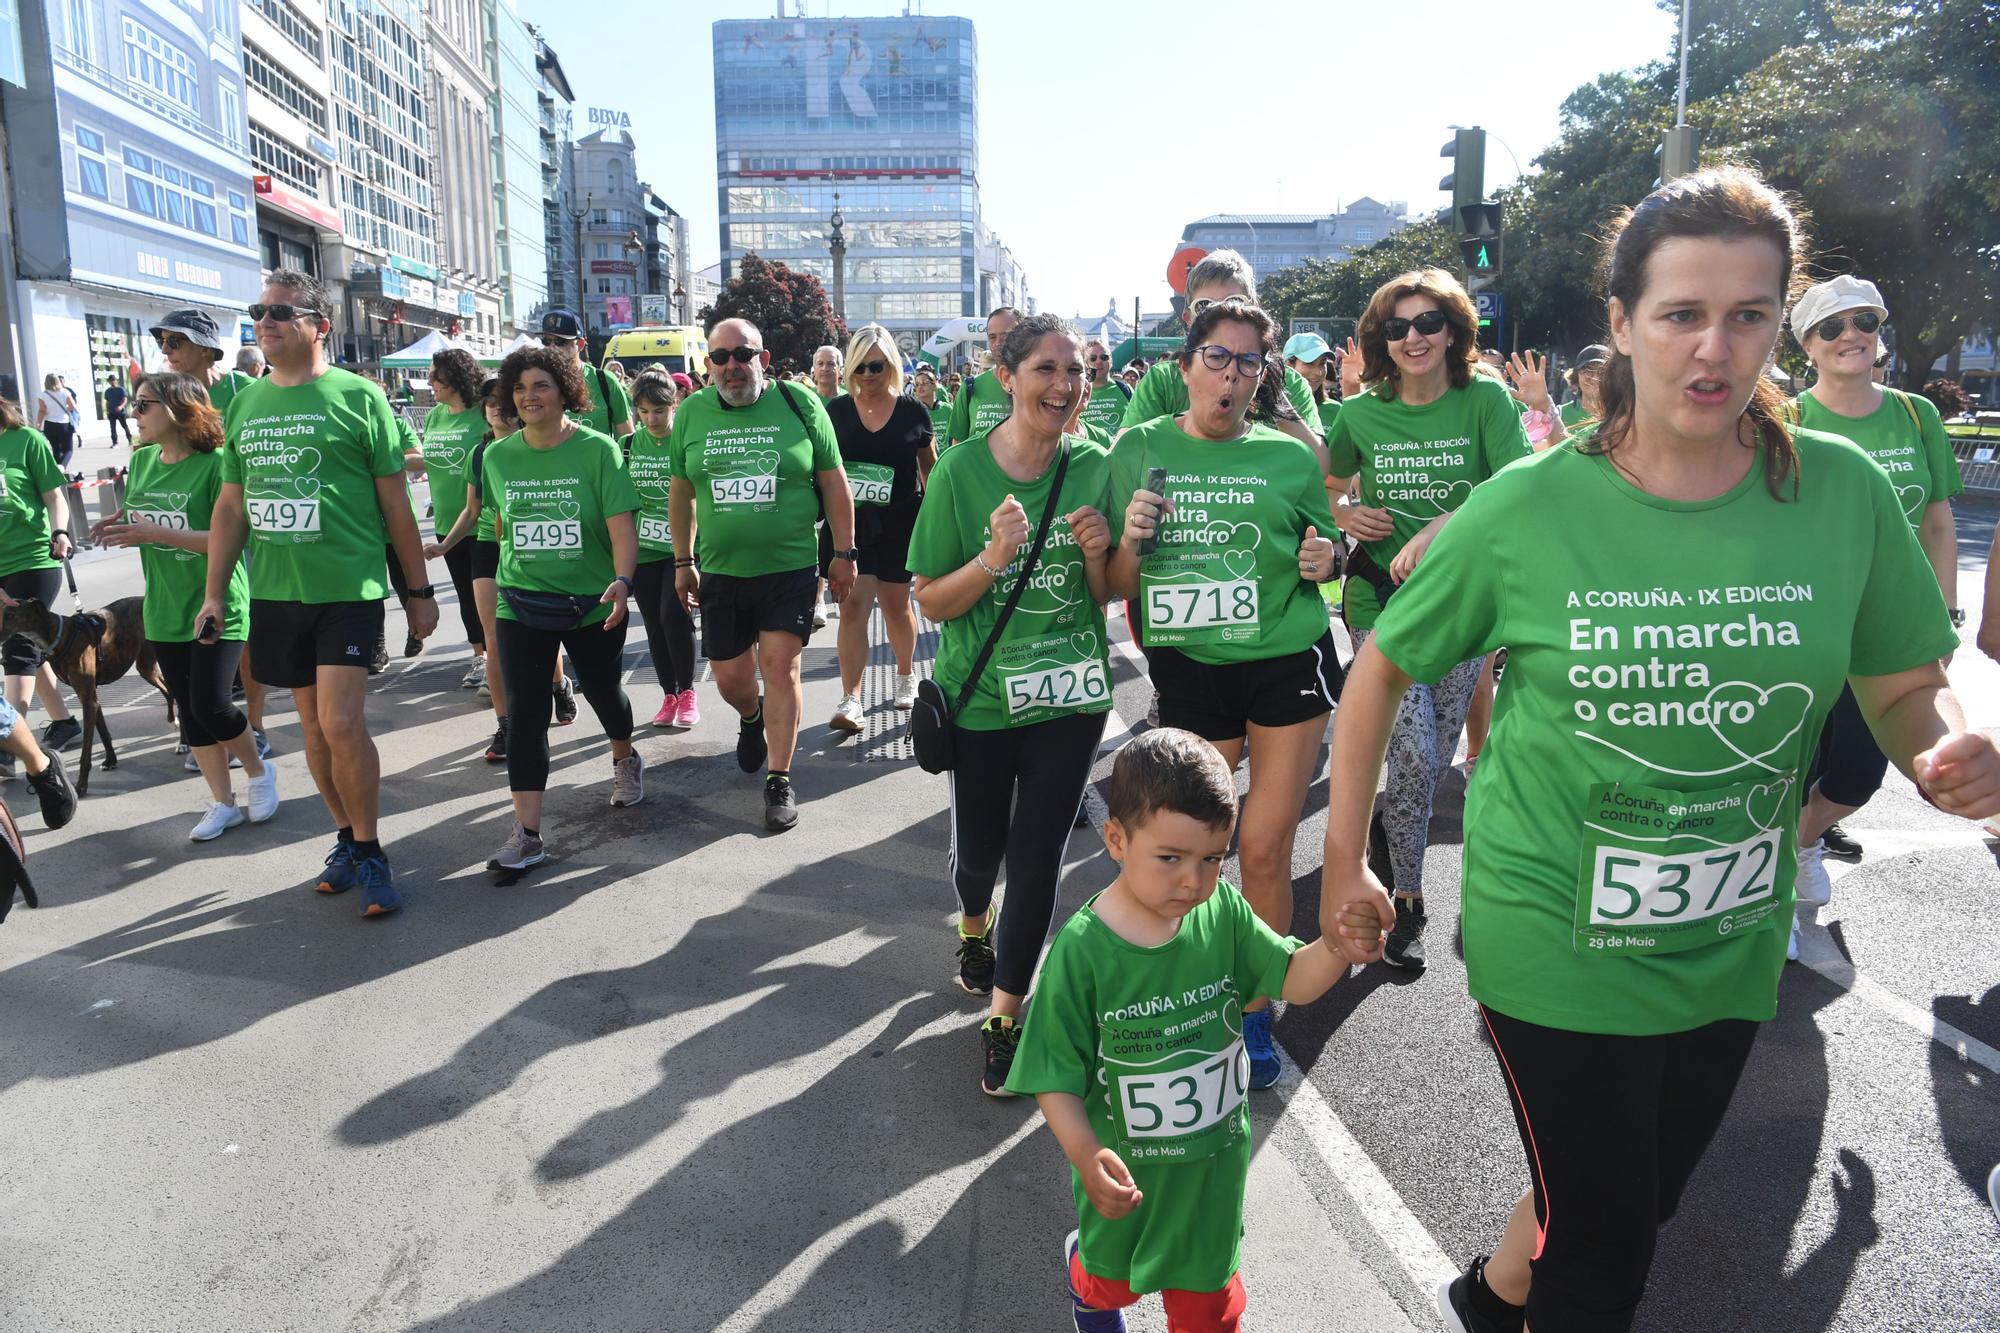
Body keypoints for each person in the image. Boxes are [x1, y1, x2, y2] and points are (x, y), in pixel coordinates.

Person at [1318, 165, 2000, 1333]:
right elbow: (1380, 664)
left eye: (1745, 315)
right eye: (1680, 313)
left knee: (1633, 1199)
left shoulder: (1834, 491)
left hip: (1726, 933)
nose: (1712, 348)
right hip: (1553, 930)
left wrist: (1946, 747)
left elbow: (1899, 683)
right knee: (1604, 1263)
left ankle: (1487, 1294)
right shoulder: (1529, 506)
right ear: (1622, 324)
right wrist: (1348, 863)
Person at [1007, 729, 1350, 1333]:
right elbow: (1053, 1075)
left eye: (1213, 859)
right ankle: (1082, 1268)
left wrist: (1340, 945)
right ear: (1116, 839)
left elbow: (1293, 977)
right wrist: (1087, 1156)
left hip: (1211, 1182)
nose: (1194, 881)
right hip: (1125, 1181)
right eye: (1171, 858)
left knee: (1209, 1315)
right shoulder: (1082, 952)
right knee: (1106, 1286)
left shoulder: (1223, 914)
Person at [1108, 300, 1341, 1089]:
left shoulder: (1288, 456)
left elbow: (1326, 547)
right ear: (1186, 364)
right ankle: (1187, 991)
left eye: (1248, 363)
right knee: (1194, 850)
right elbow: (1108, 580)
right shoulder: (1139, 448)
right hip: (1192, 669)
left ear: (1262, 374)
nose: (1232, 375)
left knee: (1266, 846)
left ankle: (1252, 1010)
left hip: (1284, 659)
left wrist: (1325, 557)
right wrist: (1132, 541)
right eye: (1217, 357)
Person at [909, 312, 1115, 1094]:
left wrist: (1101, 556)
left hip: (1070, 697)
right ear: (1007, 377)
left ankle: (1006, 1014)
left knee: (1038, 860)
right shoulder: (961, 471)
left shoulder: (1095, 467)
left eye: (1076, 373)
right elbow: (931, 600)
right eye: (1046, 371)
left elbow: (1105, 596)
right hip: (986, 702)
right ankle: (972, 921)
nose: (1064, 386)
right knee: (984, 856)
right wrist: (993, 559)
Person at [200, 269, 439, 918]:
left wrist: (417, 590)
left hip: (348, 589)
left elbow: (397, 505)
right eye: (259, 310)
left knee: (340, 722)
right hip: (277, 593)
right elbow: (230, 507)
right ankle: (344, 837)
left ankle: (371, 849)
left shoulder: (360, 397)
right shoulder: (245, 404)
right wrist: (216, 592)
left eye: (281, 312)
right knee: (309, 728)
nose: (266, 320)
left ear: (319, 325)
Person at [1324, 267, 1531, 972]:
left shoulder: (1487, 402)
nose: (1413, 337)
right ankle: (1408, 895)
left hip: (1466, 602)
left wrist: (1444, 522)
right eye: (1397, 326)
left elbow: (1516, 489)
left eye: (1427, 323)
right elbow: (1326, 485)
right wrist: (1345, 512)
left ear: (1454, 332)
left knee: (1434, 750)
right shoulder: (1359, 413)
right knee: (1410, 747)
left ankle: (1394, 831)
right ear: (1382, 339)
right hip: (1379, 596)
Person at [1787, 273, 1965, 948]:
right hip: (1806, 625)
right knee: (1789, 768)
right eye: (1831, 327)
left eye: (1863, 321)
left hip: (1887, 633)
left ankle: (1803, 842)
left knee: (1859, 775)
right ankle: (1770, 903)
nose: (1850, 336)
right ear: (1807, 343)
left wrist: (1944, 615)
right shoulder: (1788, 417)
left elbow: (1941, 524)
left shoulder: (1916, 414)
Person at [669, 318, 857, 831]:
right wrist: (682, 562)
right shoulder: (690, 414)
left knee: (780, 667)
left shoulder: (801, 404)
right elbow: (681, 491)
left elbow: (835, 483)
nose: (732, 366)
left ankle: (779, 778)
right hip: (721, 572)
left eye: (742, 354)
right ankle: (750, 719)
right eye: (721, 357)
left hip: (790, 567)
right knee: (731, 678)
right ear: (708, 365)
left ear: (763, 358)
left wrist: (845, 552)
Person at [92, 373, 277, 840]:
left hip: (217, 604)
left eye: (142, 405)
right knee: (191, 714)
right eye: (132, 406)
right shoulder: (142, 463)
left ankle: (258, 772)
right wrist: (124, 521)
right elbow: (142, 516)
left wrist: (155, 532)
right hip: (164, 607)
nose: (132, 414)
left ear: (178, 409)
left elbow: (230, 537)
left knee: (212, 703)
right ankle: (222, 802)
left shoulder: (216, 465)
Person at [480, 347, 644, 869]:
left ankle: (624, 755)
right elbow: (504, 528)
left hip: (593, 602)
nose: (529, 396)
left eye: (542, 385)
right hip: (523, 599)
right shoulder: (498, 456)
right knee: (526, 712)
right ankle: (527, 833)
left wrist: (622, 580)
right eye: (521, 387)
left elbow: (622, 526)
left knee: (602, 691)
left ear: (566, 390)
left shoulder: (598, 450)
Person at [826, 324, 935, 732]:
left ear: (890, 365)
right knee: (852, 608)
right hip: (849, 526)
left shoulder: (912, 411)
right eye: (860, 368)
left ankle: (905, 676)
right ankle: (851, 697)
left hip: (900, 522)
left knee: (895, 605)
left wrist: (937, 522)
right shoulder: (835, 411)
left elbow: (931, 469)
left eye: (877, 366)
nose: (868, 375)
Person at [1122, 254, 1324, 459]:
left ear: (1255, 311)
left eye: (1234, 303)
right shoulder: (1164, 380)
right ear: (1188, 319)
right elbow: (1122, 458)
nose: (1221, 319)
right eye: (1205, 307)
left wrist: (1274, 398)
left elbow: (1320, 466)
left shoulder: (1288, 382)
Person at [0, 395, 82, 765]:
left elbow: (54, 495)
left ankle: (8, 746)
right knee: (30, 644)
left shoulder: (26, 439)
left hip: (33, 558)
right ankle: (64, 722)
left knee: (18, 647)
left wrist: (60, 531)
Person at [623, 370, 699, 728]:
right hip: (643, 550)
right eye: (643, 411)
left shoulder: (685, 440)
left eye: (659, 411)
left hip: (679, 548)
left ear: (674, 406)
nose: (650, 419)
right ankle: (668, 695)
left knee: (674, 616)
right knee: (653, 624)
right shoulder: (628, 445)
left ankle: (688, 693)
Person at [412, 349, 491, 690]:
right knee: (465, 596)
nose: (430, 382)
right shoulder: (435, 417)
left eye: (435, 376)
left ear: (455, 377)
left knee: (487, 595)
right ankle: (480, 657)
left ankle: (498, 658)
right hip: (447, 522)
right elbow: (428, 462)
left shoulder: (483, 414)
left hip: (484, 521)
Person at [537, 308, 631, 438]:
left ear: (580, 344)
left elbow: (628, 439)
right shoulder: (536, 383)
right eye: (546, 341)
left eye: (560, 342)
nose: (552, 348)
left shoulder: (606, 382)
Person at [150, 310, 256, 419]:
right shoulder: (171, 398)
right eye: (161, 341)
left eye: (173, 341)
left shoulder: (247, 389)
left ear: (204, 348)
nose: (164, 350)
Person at [945, 306, 1020, 447]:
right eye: (992, 337)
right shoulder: (971, 387)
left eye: (1006, 336)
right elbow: (957, 446)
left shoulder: (1037, 385)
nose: (998, 343)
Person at [1078, 337, 1130, 434]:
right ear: (1086, 363)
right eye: (1093, 358)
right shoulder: (1078, 392)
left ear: (1111, 361)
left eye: (1104, 357)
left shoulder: (1125, 390)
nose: (1098, 362)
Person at [32, 375, 77, 470]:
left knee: (56, 448)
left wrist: (38, 423)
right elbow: (72, 406)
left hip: (50, 424)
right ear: (58, 381)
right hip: (64, 424)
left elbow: (42, 410)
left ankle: (58, 469)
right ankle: (62, 466)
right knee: (68, 449)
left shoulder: (43, 395)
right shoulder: (65, 392)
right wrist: (65, 409)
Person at [1560, 343, 1609, 432]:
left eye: (1602, 371)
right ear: (1576, 377)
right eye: (1587, 371)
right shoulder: (1560, 415)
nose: (1595, 377)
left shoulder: (1623, 415)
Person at [912, 363, 952, 442]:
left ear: (935, 386)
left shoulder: (947, 409)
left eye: (925, 382)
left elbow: (954, 437)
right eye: (917, 384)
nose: (920, 386)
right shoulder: (912, 412)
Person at [103, 380, 133, 448]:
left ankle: (130, 440)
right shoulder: (108, 391)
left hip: (120, 412)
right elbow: (107, 401)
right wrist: (107, 411)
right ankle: (115, 443)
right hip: (111, 412)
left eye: (113, 380)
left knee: (124, 426)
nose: (112, 382)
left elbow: (125, 400)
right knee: (112, 428)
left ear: (116, 381)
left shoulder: (121, 389)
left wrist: (121, 406)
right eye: (110, 381)